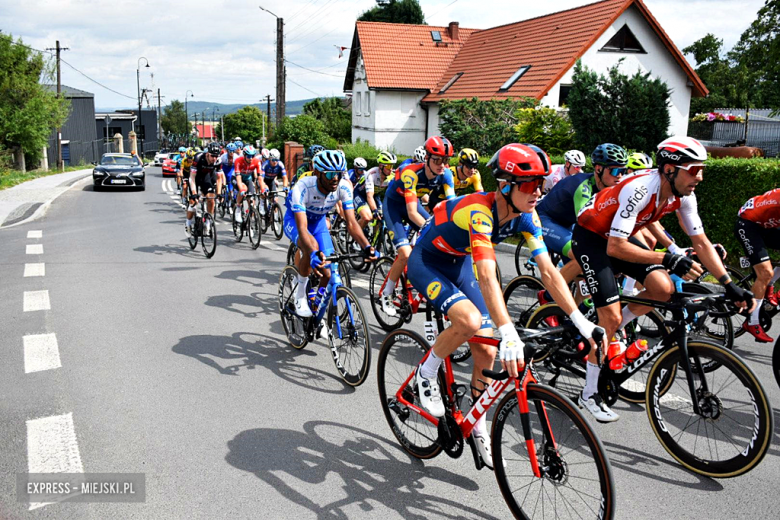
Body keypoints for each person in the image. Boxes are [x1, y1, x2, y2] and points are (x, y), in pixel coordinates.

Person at [409, 143, 605, 467]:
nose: (538, 192)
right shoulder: (480, 213)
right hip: (427, 260)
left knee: (486, 353)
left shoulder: (528, 215)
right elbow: (486, 275)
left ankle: (478, 424)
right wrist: (508, 331)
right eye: (529, 185)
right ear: (505, 184)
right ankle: (425, 371)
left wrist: (582, 323)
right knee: (471, 322)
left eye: (541, 184)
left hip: (457, 262)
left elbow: (549, 272)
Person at [572, 136, 754, 422]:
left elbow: (702, 242)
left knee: (663, 288)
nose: (701, 177)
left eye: (701, 169)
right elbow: (614, 248)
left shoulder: (685, 195)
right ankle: (588, 393)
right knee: (608, 317)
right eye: (694, 170)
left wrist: (730, 285)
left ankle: (616, 323)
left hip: (619, 238)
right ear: (670, 169)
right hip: (592, 239)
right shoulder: (640, 189)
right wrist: (667, 258)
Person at [284, 150, 378, 317]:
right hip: (296, 221)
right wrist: (312, 253)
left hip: (318, 221)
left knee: (328, 273)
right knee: (310, 248)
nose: (335, 178)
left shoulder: (342, 187)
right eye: (330, 174)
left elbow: (351, 223)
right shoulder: (303, 187)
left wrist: (367, 246)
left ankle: (317, 309)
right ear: (318, 173)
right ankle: (300, 295)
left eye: (339, 174)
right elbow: (303, 227)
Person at [535, 144, 628, 307]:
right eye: (614, 170)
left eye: (623, 171)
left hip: (568, 224)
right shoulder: (583, 187)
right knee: (583, 256)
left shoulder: (611, 189)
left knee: (586, 272)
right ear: (598, 168)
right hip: (547, 220)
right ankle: (548, 297)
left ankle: (575, 311)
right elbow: (586, 222)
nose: (620, 175)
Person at [380, 136, 456, 316]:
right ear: (427, 159)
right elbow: (412, 212)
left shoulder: (446, 174)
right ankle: (387, 293)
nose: (442, 165)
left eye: (446, 160)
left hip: (413, 205)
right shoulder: (411, 173)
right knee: (405, 253)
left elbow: (452, 206)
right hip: (394, 206)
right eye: (437, 160)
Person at [735, 188, 780, 342]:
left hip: (766, 226)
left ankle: (770, 286)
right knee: (764, 273)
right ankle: (752, 322)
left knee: (767, 276)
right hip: (748, 225)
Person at [352, 152, 395, 228]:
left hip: (374, 195)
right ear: (381, 166)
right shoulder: (372, 174)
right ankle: (356, 236)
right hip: (360, 194)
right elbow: (369, 196)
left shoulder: (392, 176)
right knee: (367, 217)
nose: (391, 169)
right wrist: (374, 210)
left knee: (381, 217)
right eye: (388, 166)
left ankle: (376, 239)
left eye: (392, 166)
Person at [186, 142, 222, 236]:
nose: (214, 158)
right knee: (193, 202)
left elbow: (219, 178)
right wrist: (194, 193)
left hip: (206, 177)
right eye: (212, 156)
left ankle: (208, 224)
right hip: (195, 178)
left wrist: (219, 193)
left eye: (216, 156)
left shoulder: (218, 161)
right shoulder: (198, 158)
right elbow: (192, 177)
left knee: (211, 199)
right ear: (207, 154)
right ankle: (188, 224)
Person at [233, 146, 261, 223]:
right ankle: (238, 207)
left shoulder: (257, 161)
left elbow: (260, 177)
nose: (251, 158)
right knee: (244, 188)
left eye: (252, 156)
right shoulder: (238, 161)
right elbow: (238, 178)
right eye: (248, 156)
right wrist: (241, 190)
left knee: (251, 200)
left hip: (248, 179)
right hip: (237, 178)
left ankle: (250, 220)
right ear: (244, 155)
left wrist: (262, 188)